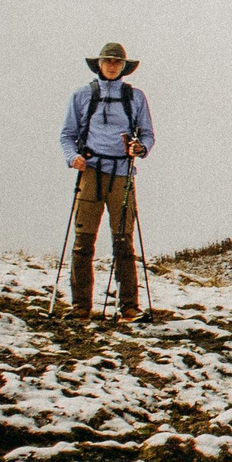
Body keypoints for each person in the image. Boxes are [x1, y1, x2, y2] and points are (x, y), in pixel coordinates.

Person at [60, 41, 156, 320]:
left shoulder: (135, 98)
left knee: (123, 240)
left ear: (124, 67)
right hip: (91, 170)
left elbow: (148, 134)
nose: (112, 66)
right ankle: (81, 306)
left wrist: (140, 149)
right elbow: (67, 134)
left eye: (117, 62)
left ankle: (128, 306)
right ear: (99, 65)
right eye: (108, 61)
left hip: (122, 173)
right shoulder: (82, 96)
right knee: (83, 241)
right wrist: (71, 158)